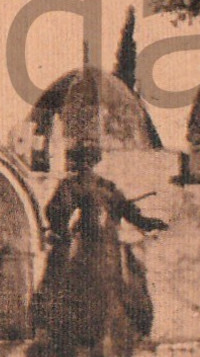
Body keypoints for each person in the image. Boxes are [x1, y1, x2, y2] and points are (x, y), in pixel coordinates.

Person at [32, 143, 168, 340]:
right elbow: (130, 213)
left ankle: (46, 319)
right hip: (102, 244)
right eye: (82, 161)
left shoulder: (79, 184)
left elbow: (57, 211)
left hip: (94, 244)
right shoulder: (101, 186)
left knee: (57, 273)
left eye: (83, 161)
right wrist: (148, 222)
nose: (82, 165)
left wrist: (61, 230)